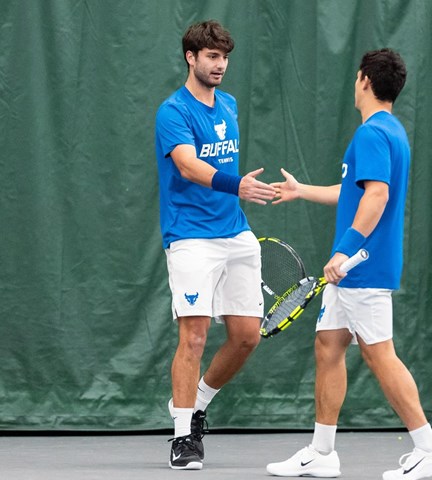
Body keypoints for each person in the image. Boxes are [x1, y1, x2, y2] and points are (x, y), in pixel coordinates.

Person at [265, 49, 432, 480]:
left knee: (379, 353)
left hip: (361, 267)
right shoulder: (389, 131)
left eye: (355, 78)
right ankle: (322, 452)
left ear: (365, 81)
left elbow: (376, 197)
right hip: (359, 266)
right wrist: (302, 190)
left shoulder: (372, 134)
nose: (354, 84)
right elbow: (355, 192)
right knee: (329, 347)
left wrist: (343, 251)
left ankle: (429, 447)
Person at [154, 20, 276, 470]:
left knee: (246, 336)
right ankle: (183, 436)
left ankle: (196, 402)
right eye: (211, 56)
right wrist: (236, 185)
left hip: (236, 234)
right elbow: (186, 166)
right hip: (190, 238)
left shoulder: (229, 105)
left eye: (224, 57)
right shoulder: (172, 111)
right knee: (195, 335)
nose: (220, 64)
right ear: (191, 58)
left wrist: (236, 195)